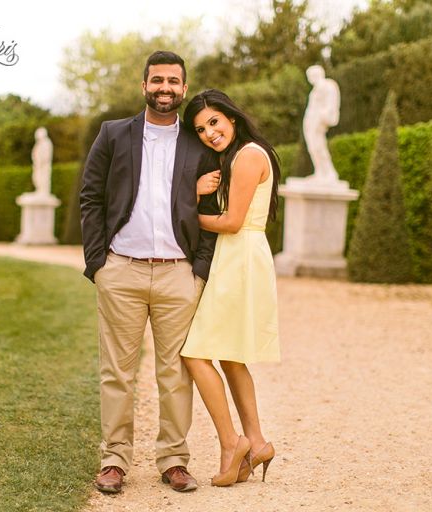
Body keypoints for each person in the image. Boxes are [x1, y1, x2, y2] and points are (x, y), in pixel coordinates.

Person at [80, 51, 218, 494]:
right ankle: (114, 460)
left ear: (183, 87)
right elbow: (90, 198)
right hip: (121, 270)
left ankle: (174, 460)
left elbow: (212, 208)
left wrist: (199, 270)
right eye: (157, 80)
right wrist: (98, 263)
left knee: (176, 371)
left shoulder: (199, 144)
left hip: (179, 273)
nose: (165, 88)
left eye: (173, 81)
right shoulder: (114, 134)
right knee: (116, 371)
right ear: (144, 86)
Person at [180, 89, 281, 487]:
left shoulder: (249, 155)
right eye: (201, 129)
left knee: (195, 354)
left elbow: (232, 221)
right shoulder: (241, 155)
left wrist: (187, 207)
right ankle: (256, 443)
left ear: (232, 119)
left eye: (214, 122)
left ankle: (232, 443)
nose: (209, 133)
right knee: (233, 357)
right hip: (240, 256)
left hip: (238, 255)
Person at [303, 64, 341, 183]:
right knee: (313, 147)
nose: (309, 79)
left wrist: (323, 117)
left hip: (318, 120)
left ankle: (329, 173)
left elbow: (331, 103)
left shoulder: (327, 85)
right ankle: (320, 172)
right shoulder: (316, 89)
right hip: (311, 120)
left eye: (310, 76)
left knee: (318, 146)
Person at [31, 127, 53, 196]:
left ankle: (42, 192)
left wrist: (40, 162)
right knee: (36, 178)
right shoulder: (39, 143)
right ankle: (39, 191)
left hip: (43, 167)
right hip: (38, 166)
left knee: (43, 179)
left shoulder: (46, 143)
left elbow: (46, 156)